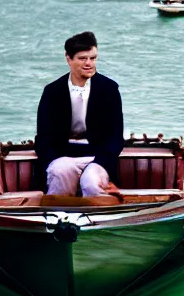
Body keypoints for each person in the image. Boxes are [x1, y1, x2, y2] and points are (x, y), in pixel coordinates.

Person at [35, 31, 124, 196]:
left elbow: (116, 137)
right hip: (63, 157)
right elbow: (43, 138)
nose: (89, 63)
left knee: (91, 182)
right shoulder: (52, 91)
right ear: (68, 58)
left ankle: (100, 220)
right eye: (83, 58)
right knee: (59, 172)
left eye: (93, 58)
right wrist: (52, 161)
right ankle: (57, 218)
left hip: (99, 157)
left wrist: (103, 162)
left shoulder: (109, 89)